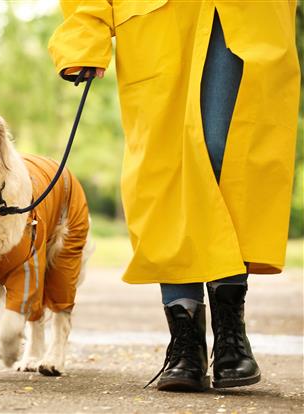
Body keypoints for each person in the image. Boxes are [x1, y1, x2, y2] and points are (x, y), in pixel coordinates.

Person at [47, 0, 300, 392]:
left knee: (226, 155)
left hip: (245, 12)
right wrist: (85, 34)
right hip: (156, 20)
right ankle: (185, 339)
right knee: (165, 172)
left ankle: (230, 327)